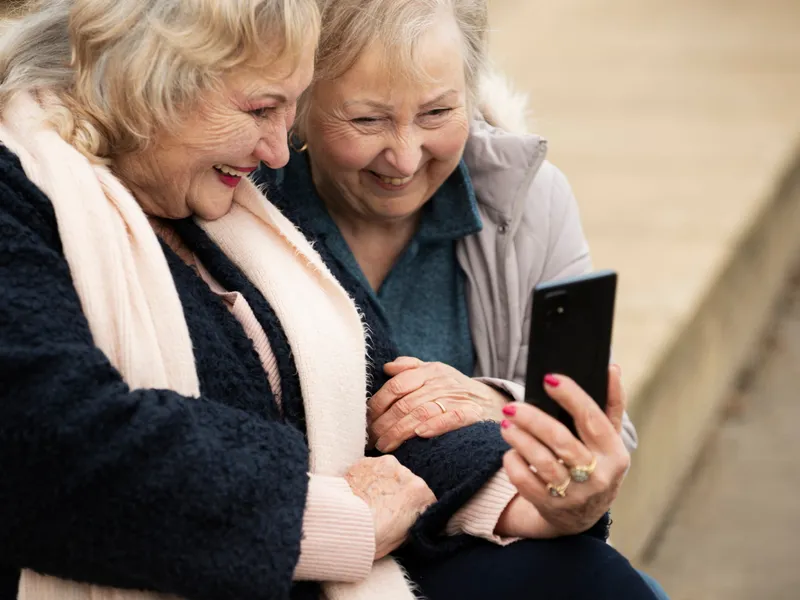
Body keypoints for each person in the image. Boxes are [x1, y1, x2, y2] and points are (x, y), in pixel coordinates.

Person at [0, 1, 658, 599]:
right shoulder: (29, 197)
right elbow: (51, 441)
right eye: (262, 109)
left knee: (595, 580)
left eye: (436, 111)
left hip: (330, 556)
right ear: (155, 83)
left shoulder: (219, 198)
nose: (276, 148)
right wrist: (331, 517)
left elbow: (380, 403)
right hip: (235, 560)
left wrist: (531, 498)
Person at [254, 0, 668, 597]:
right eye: (367, 120)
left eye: (437, 112)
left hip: (485, 532)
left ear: (470, 95)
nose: (404, 156)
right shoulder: (245, 207)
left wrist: (491, 402)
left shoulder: (527, 199)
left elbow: (597, 427)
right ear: (299, 105)